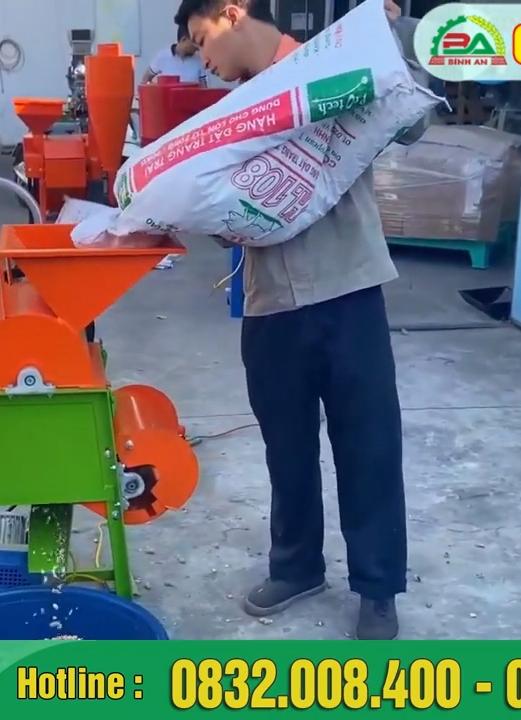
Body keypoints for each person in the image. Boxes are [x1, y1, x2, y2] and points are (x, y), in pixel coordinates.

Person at [174, 0, 411, 640]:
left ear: (231, 13)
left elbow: (411, 121)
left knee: (368, 443)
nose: (202, 59)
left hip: (347, 283)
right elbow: (222, 209)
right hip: (271, 300)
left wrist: (392, 38)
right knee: (287, 446)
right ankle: (297, 566)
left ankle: (378, 586)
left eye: (200, 39)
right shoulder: (231, 117)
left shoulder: (333, 69)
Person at [142, 28, 208, 85]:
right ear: (184, 39)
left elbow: (204, 88)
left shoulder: (199, 60)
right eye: (194, 43)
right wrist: (156, 91)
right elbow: (145, 79)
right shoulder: (163, 56)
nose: (197, 47)